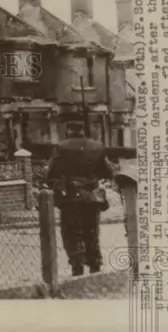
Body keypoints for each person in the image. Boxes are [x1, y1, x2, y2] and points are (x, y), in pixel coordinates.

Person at [45, 113, 113, 276]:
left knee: (72, 233)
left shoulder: (61, 147)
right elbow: (108, 171)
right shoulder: (97, 146)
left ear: (68, 129)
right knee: (92, 232)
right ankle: (95, 266)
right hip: (92, 197)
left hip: (71, 198)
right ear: (83, 129)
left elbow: (51, 173)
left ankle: (77, 266)